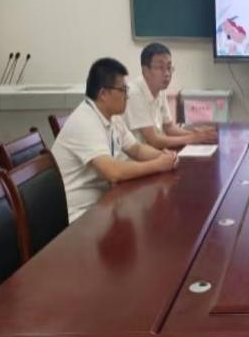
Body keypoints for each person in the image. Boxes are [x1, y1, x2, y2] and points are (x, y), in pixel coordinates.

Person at [52, 58, 178, 222]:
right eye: (123, 90)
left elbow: (137, 149)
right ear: (103, 94)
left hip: (103, 202)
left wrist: (163, 156)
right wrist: (158, 165)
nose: (128, 95)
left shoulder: (112, 117)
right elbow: (113, 172)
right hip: (78, 214)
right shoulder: (86, 121)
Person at [123, 43, 217, 149]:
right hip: (135, 157)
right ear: (145, 71)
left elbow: (169, 128)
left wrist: (199, 134)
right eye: (160, 68)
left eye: (169, 67)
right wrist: (193, 138)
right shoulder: (133, 93)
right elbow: (154, 140)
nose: (167, 73)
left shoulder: (160, 89)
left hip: (155, 153)